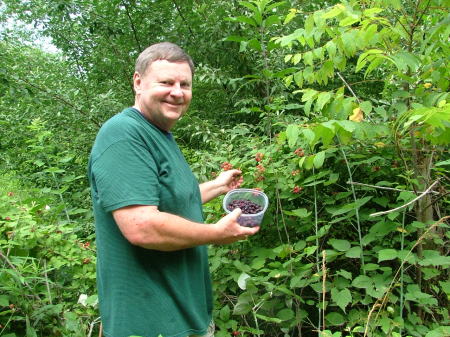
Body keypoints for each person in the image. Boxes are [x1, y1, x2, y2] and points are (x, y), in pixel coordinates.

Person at [88, 42, 260, 337]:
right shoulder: (123, 135)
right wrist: (216, 234)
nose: (177, 92)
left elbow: (169, 199)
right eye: (166, 82)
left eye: (185, 84)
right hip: (149, 320)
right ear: (138, 82)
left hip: (184, 312)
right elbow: (141, 226)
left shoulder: (160, 134)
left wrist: (217, 186)